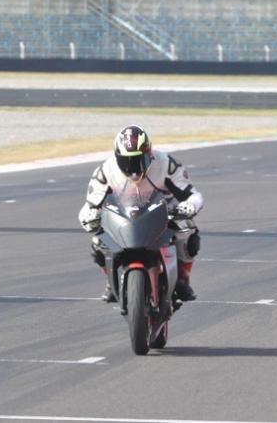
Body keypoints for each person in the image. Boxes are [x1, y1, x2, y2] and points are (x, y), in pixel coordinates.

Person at [78, 125, 204, 303]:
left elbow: (194, 195)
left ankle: (183, 278)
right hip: (123, 217)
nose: (134, 170)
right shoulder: (106, 171)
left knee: (188, 232)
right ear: (117, 157)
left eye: (139, 160)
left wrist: (188, 206)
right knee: (98, 241)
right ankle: (110, 281)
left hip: (164, 212)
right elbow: (89, 205)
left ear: (149, 153)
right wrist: (88, 216)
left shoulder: (166, 164)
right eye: (127, 162)